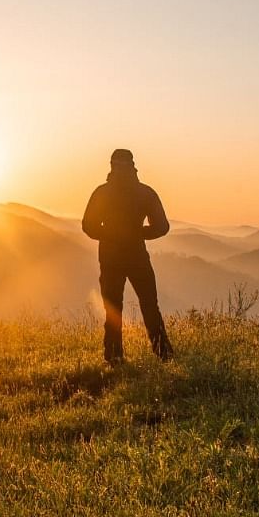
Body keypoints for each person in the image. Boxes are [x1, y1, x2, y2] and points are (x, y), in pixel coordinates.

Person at [81, 149, 173, 363]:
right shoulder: (145, 192)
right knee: (150, 305)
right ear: (133, 165)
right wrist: (138, 233)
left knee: (113, 308)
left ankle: (114, 357)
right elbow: (162, 227)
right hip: (137, 255)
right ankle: (164, 354)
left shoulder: (102, 193)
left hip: (110, 256)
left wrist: (110, 234)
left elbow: (88, 226)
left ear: (111, 165)